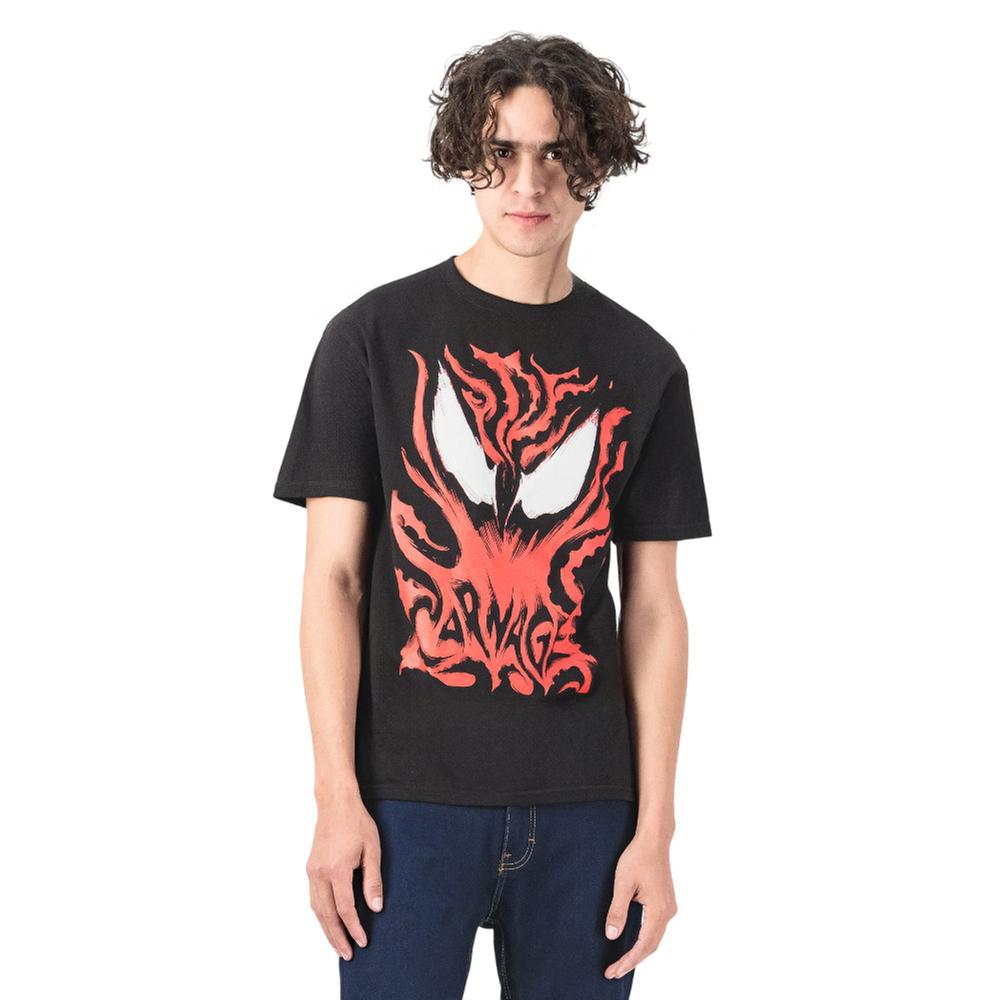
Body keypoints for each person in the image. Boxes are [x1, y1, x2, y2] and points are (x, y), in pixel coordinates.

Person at [273, 31, 712, 1000]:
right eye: (501, 151)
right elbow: (333, 580)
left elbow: (653, 609)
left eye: (557, 153)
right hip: (405, 808)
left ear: (597, 163)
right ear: (462, 157)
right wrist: (336, 796)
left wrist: (655, 828)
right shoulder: (370, 339)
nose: (528, 182)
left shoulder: (644, 366)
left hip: (588, 811)